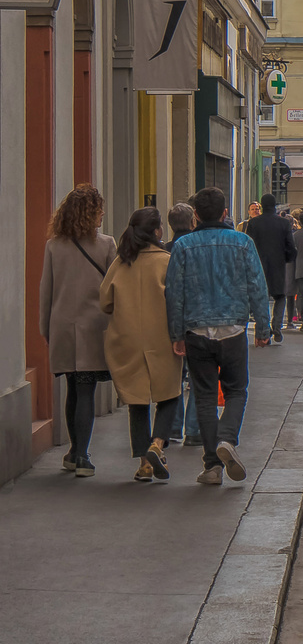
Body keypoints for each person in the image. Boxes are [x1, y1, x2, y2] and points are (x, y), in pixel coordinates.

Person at [166, 186, 271, 485]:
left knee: (204, 396)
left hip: (196, 329)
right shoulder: (242, 242)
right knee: (237, 390)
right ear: (225, 212)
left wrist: (176, 333)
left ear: (195, 215)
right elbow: (257, 287)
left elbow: (174, 294)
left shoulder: (184, 246)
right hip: (233, 329)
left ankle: (212, 465)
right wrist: (263, 328)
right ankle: (227, 439)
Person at [38, 184, 116, 478]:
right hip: (94, 326)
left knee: (73, 386)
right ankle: (82, 455)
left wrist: (45, 327)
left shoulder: (54, 246)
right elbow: (112, 289)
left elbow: (47, 290)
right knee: (86, 388)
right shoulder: (107, 245)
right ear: (91, 213)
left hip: (62, 326)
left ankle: (73, 451)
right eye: (99, 209)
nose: (102, 215)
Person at [100, 207, 183, 482]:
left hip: (126, 339)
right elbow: (177, 301)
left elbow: (105, 302)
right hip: (161, 338)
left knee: (137, 401)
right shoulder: (166, 261)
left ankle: (144, 464)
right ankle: (157, 444)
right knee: (169, 394)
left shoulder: (121, 262)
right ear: (158, 231)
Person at [164, 203, 204, 446]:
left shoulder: (164, 250)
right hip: (197, 319)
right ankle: (194, 429)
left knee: (173, 377)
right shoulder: (198, 248)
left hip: (169, 320)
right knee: (199, 376)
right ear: (193, 222)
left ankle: (173, 427)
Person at [246, 193, 296, 344]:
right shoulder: (284, 223)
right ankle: (277, 326)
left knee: (261, 298)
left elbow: (248, 245)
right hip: (278, 265)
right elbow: (290, 246)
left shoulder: (254, 223)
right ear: (274, 205)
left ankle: (265, 328)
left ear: (262, 205)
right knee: (280, 297)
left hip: (258, 266)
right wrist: (287, 259)